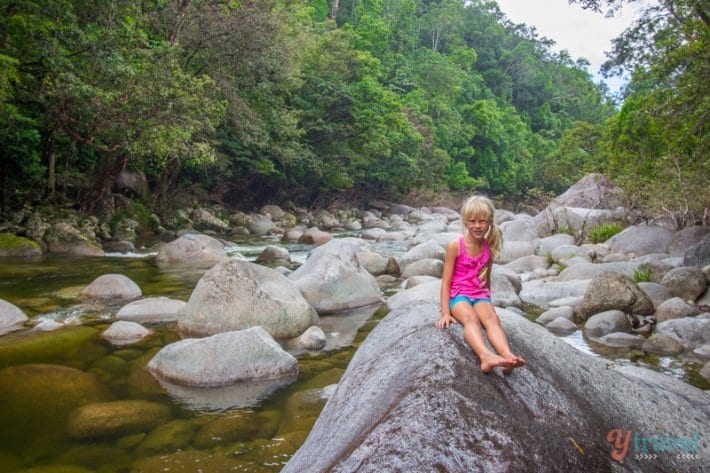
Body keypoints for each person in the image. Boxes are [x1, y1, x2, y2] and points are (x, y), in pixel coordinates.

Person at [436, 195, 526, 374]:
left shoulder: (489, 247)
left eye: (482, 221)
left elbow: (487, 279)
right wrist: (445, 313)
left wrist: (488, 303)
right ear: (465, 222)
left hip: (479, 294)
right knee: (471, 319)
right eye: (473, 221)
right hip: (459, 295)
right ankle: (486, 357)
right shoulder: (456, 246)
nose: (477, 226)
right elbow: (446, 282)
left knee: (492, 319)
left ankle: (507, 356)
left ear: (490, 222)